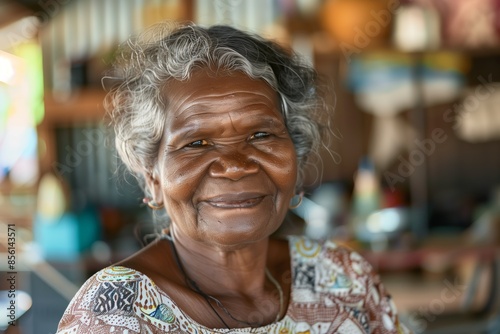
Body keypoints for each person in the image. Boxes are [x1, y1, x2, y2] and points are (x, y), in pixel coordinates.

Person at [56, 22, 410, 334]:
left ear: (297, 159)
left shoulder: (345, 281)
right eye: (196, 143)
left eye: (261, 135)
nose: (235, 165)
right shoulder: (114, 314)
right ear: (154, 179)